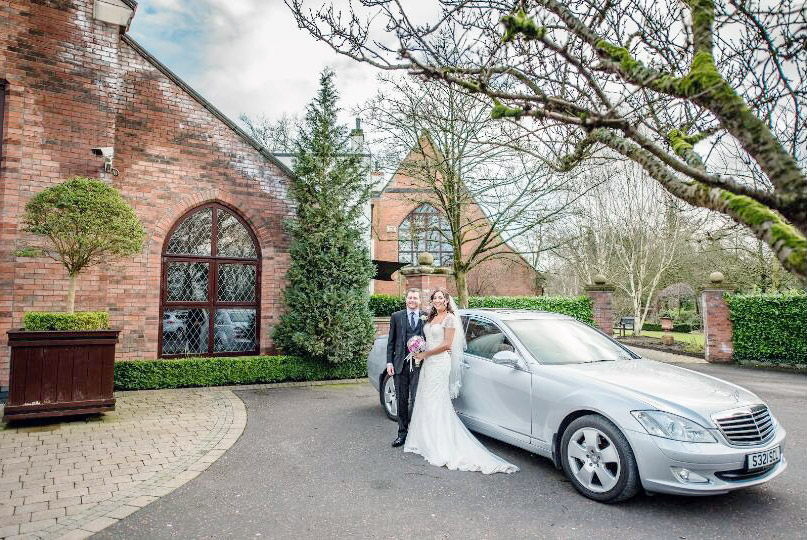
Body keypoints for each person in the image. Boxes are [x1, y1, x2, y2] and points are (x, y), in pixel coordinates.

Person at [403, 287, 519, 474]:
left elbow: (447, 345)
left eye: (441, 298)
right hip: (428, 363)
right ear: (432, 301)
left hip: (439, 363)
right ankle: (423, 440)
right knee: (425, 400)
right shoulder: (431, 318)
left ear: (447, 301)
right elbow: (428, 339)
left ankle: (439, 443)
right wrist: (419, 349)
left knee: (436, 400)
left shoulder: (449, 318)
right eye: (435, 298)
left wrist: (425, 353)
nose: (438, 300)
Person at [386, 288, 426, 447]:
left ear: (420, 300)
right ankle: (402, 434)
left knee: (417, 400)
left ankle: (417, 434)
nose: (412, 300)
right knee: (401, 400)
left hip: (419, 365)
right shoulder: (396, 316)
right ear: (406, 299)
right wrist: (389, 362)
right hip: (400, 365)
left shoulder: (426, 317)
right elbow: (391, 341)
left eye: (415, 298)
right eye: (410, 298)